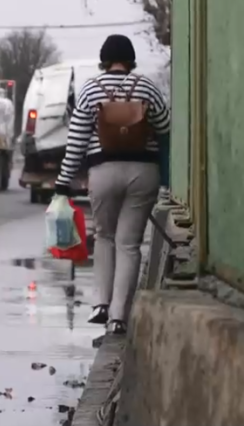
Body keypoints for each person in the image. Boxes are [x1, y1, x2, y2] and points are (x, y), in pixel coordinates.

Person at [54, 34, 170, 334]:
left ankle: (101, 305)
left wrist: (63, 183)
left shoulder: (91, 89)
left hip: (103, 172)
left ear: (104, 60)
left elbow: (76, 141)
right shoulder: (146, 87)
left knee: (104, 236)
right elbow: (166, 129)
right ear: (130, 61)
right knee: (129, 243)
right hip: (143, 172)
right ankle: (119, 316)